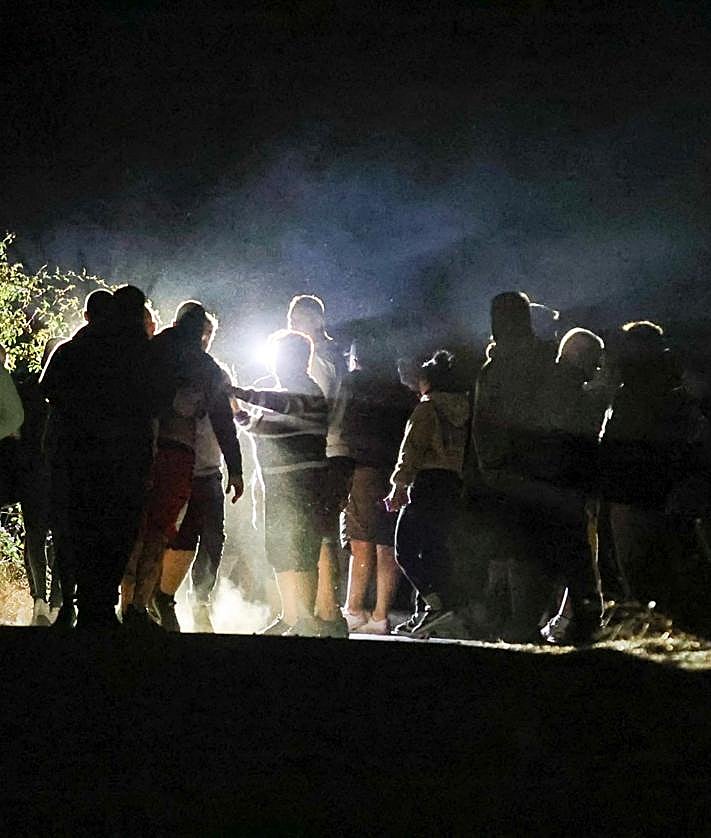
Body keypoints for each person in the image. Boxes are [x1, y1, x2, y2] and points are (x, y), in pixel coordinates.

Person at [121, 300, 243, 630]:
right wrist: (236, 468)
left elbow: (221, 418)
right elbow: (222, 419)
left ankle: (131, 606)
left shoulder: (154, 351)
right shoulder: (202, 365)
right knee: (156, 533)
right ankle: (137, 607)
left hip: (147, 454)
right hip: (174, 454)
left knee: (144, 531)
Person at [40, 286, 155, 628]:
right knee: (116, 530)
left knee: (74, 530)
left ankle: (74, 603)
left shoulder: (72, 349)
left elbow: (47, 388)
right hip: (123, 458)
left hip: (76, 455)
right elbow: (154, 400)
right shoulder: (134, 352)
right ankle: (102, 603)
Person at [599, 321, 711, 631]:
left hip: (634, 494)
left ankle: (656, 626)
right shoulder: (678, 391)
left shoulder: (627, 392)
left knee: (639, 571)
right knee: (674, 568)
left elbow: (614, 445)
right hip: (670, 493)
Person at [233, 329, 329, 636]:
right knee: (280, 552)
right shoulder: (281, 395)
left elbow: (282, 404)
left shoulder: (308, 393)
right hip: (278, 484)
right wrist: (234, 406)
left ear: (297, 359)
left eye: (280, 358)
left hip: (303, 484)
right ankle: (291, 617)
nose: (275, 365)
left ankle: (306, 621)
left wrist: (238, 391)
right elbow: (255, 425)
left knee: (302, 552)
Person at [473, 291, 555, 642]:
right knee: (526, 549)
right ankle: (521, 622)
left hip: (504, 471)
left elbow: (484, 425)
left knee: (508, 549)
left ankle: (506, 621)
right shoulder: (543, 360)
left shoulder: (495, 368)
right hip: (536, 469)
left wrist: (488, 467)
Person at [385, 350, 470, 638]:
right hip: (452, 483)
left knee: (405, 548)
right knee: (435, 549)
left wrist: (399, 486)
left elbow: (411, 450)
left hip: (426, 482)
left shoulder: (427, 409)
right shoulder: (464, 410)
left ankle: (437, 604)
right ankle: (428, 613)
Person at [287, 295, 352, 634]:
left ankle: (325, 611)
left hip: (323, 451)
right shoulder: (336, 355)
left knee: (318, 532)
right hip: (335, 449)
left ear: (315, 321)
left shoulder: (319, 360)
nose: (292, 327)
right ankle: (322, 610)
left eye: (297, 320)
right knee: (323, 530)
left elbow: (315, 409)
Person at [339, 337, 412, 635]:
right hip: (393, 473)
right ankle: (381, 615)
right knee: (386, 543)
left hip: (362, 469)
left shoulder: (353, 384)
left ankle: (354, 609)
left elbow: (342, 424)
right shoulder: (402, 393)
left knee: (360, 541)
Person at [13, 339, 63, 625]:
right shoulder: (72, 393)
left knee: (35, 536)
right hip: (60, 474)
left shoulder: (29, 389)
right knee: (60, 538)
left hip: (33, 472)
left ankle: (41, 601)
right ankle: (55, 602)